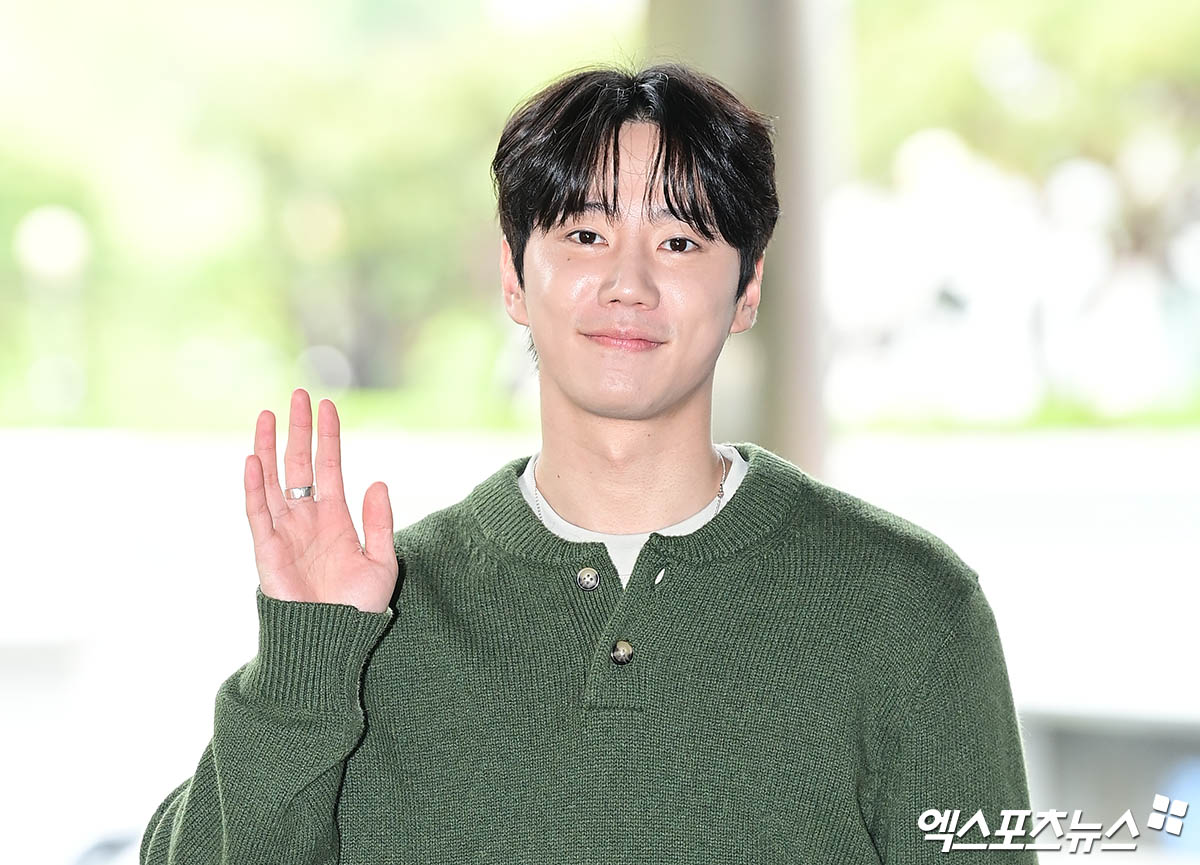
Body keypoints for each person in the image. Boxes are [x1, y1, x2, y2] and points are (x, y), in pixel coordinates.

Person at [140, 62, 1037, 864]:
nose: (628, 284)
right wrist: (304, 661)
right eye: (584, 235)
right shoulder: (371, 611)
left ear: (748, 287)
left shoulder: (909, 606)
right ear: (513, 276)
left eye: (680, 242)